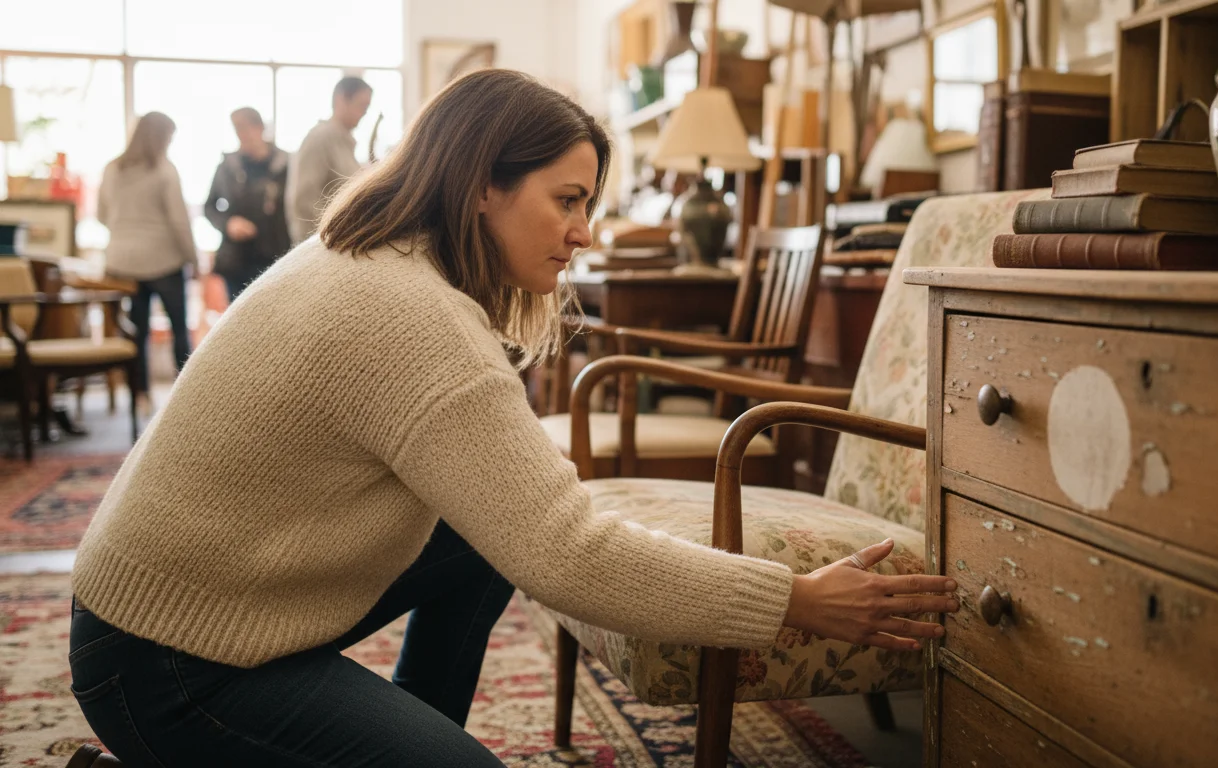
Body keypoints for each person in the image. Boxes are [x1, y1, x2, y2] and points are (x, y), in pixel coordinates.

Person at [67, 70, 959, 767]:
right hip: (169, 662)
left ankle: (394, 733)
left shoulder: (377, 256)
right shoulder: (409, 317)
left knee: (481, 533)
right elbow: (567, 550)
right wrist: (799, 600)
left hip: (189, 605)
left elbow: (528, 524)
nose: (583, 234)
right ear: (483, 185)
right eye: (566, 201)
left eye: (589, 207)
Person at [97, 111, 195, 397]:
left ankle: (139, 394)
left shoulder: (112, 168)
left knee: (136, 333)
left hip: (121, 262)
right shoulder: (164, 169)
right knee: (179, 328)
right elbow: (179, 222)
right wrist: (193, 258)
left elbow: (102, 215)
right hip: (163, 260)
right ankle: (183, 395)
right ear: (161, 136)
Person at [205, 107, 291, 302]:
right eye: (237, 129)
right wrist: (228, 224)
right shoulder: (228, 166)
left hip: (276, 255)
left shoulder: (285, 164)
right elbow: (209, 207)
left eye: (245, 127)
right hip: (238, 260)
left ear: (260, 127)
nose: (242, 134)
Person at [284, 75, 371, 243]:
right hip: (320, 247)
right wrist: (321, 243)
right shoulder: (321, 138)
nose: (365, 113)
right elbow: (303, 200)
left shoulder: (343, 141)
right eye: (362, 105)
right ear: (341, 100)